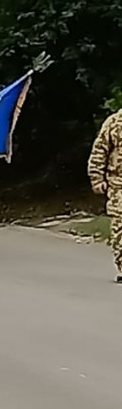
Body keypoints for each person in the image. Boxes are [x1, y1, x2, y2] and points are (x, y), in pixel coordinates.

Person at [88, 106, 122, 282]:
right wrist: (96, 178)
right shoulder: (115, 122)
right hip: (119, 185)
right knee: (120, 227)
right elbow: (99, 150)